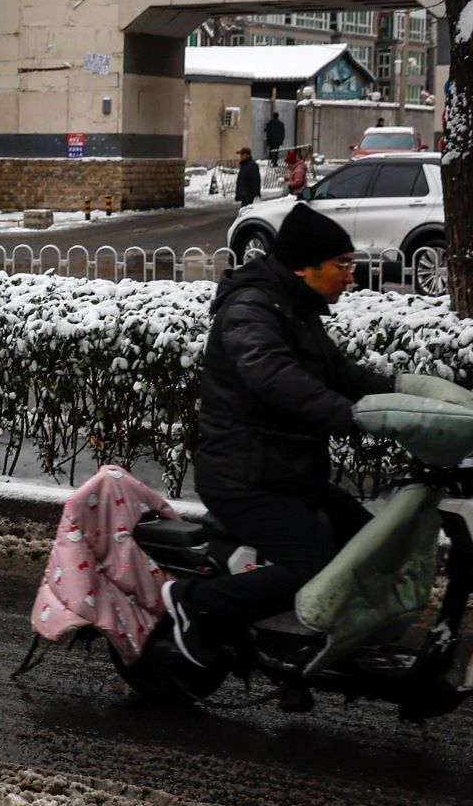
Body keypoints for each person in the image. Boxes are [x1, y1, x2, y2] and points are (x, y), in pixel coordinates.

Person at [159, 204, 396, 666]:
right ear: (304, 268)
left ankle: (323, 647)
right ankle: (195, 604)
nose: (350, 277)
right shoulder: (252, 308)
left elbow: (341, 373)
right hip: (243, 476)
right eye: (342, 265)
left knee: (368, 544)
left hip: (286, 471)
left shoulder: (295, 307)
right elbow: (271, 374)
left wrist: (407, 400)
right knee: (314, 567)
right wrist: (349, 416)